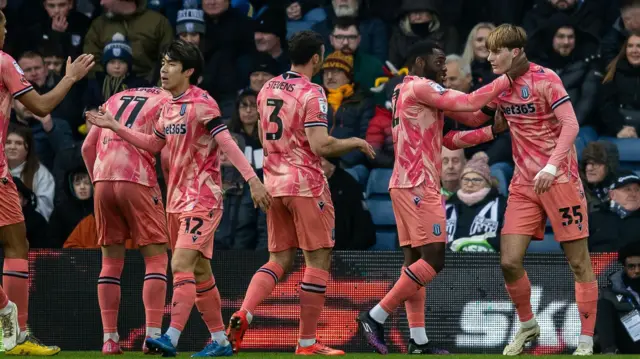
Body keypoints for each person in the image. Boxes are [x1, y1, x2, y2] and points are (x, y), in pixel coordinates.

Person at [85, 39, 271, 358]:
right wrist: (115, 126)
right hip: (175, 199)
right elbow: (153, 144)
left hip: (203, 197)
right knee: (200, 273)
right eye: (162, 64)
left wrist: (253, 180)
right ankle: (221, 341)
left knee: (180, 263)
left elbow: (226, 143)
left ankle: (169, 337)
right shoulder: (167, 106)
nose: (164, 69)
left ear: (188, 71)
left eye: (171, 64)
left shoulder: (204, 104)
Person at [356, 39, 528, 355]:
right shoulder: (420, 86)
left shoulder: (409, 91)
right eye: (438, 62)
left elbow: (452, 135)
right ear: (419, 63)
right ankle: (375, 315)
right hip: (419, 185)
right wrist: (508, 77)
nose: (444, 68)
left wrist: (492, 129)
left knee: (415, 265)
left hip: (405, 184)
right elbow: (470, 102)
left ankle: (418, 341)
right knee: (434, 260)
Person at [442, 24, 598, 355]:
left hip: (560, 180)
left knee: (579, 262)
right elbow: (474, 118)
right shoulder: (499, 87)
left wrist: (552, 166)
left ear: (514, 52)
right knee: (509, 261)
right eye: (487, 51)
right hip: (524, 184)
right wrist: (436, 112)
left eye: (495, 51)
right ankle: (528, 325)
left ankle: (585, 339)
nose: (489, 56)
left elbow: (571, 124)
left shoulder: (546, 79)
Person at [224, 30, 375, 356]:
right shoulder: (312, 92)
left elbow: (265, 139)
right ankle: (307, 342)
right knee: (317, 259)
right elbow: (321, 145)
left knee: (278, 259)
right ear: (318, 58)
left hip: (273, 184)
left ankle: (243, 313)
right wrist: (356, 143)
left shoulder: (267, 88)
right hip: (306, 184)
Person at [0, 8, 94, 355]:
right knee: (15, 246)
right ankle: (10, 321)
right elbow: (40, 107)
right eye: (3, 25)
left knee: (17, 244)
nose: (6, 29)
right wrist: (69, 78)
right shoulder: (4, 62)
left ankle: (17, 335)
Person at [81, 87, 172, 354]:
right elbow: (165, 152)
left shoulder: (115, 97)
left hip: (102, 179)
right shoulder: (169, 102)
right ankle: (153, 335)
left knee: (110, 262)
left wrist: (97, 181)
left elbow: (88, 147)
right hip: (137, 178)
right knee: (156, 259)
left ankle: (110, 338)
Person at [595, 242, 640, 354]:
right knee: (602, 305)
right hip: (628, 339)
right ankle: (609, 351)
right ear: (624, 267)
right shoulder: (610, 291)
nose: (637, 270)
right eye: (631, 266)